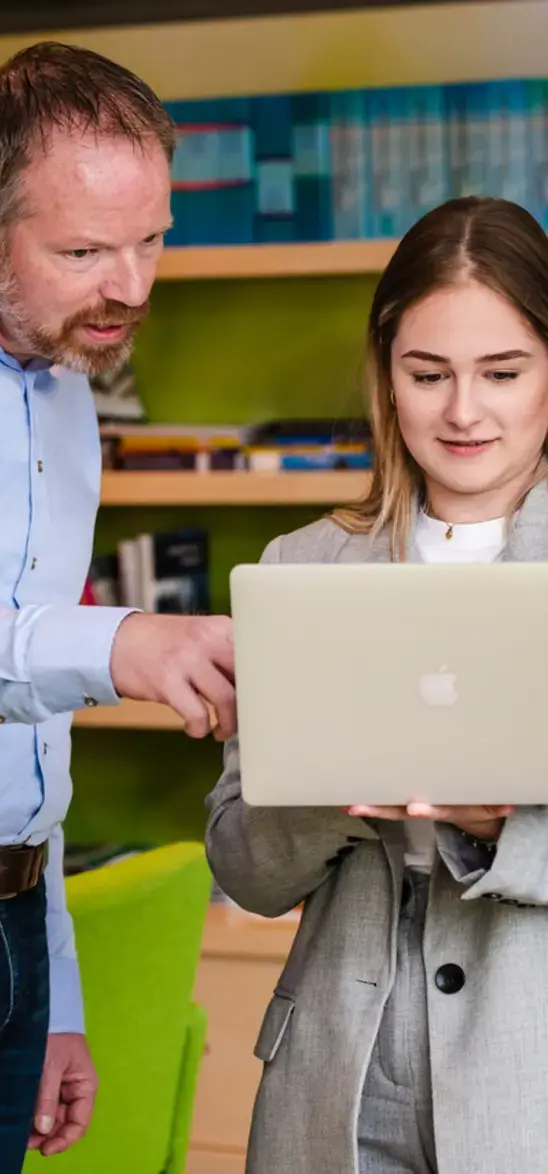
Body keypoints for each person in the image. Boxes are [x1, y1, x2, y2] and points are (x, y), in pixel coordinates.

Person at [0, 41, 235, 1174]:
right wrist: (117, 641)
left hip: (11, 924)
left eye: (151, 240)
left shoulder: (60, 365)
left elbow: (26, 731)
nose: (131, 286)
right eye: (86, 248)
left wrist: (54, 979)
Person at [206, 195, 548, 1174]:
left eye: (504, 372)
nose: (464, 410)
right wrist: (330, 794)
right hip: (339, 1075)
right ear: (386, 376)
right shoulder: (304, 564)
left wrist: (500, 830)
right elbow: (242, 864)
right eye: (428, 374)